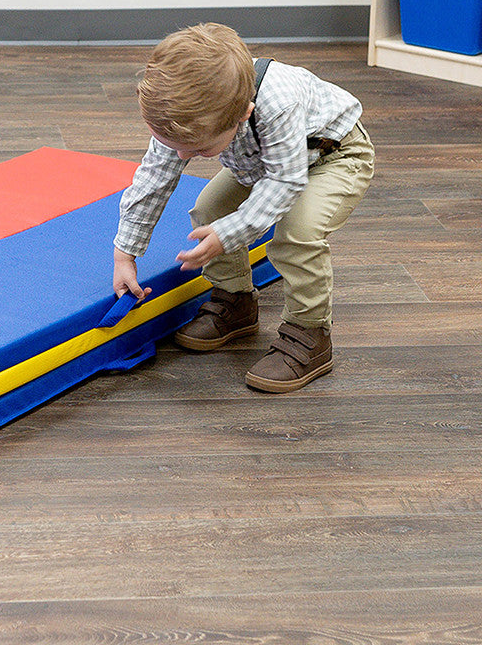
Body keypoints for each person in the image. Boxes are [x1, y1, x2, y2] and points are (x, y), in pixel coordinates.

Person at [112, 23, 374, 393]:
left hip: (334, 156)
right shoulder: (187, 112)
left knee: (297, 233)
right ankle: (235, 302)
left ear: (242, 114)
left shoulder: (279, 103)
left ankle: (309, 333)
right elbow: (153, 179)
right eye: (175, 146)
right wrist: (126, 252)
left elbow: (286, 182)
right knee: (210, 208)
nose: (183, 156)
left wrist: (229, 234)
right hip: (264, 161)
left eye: (199, 150)